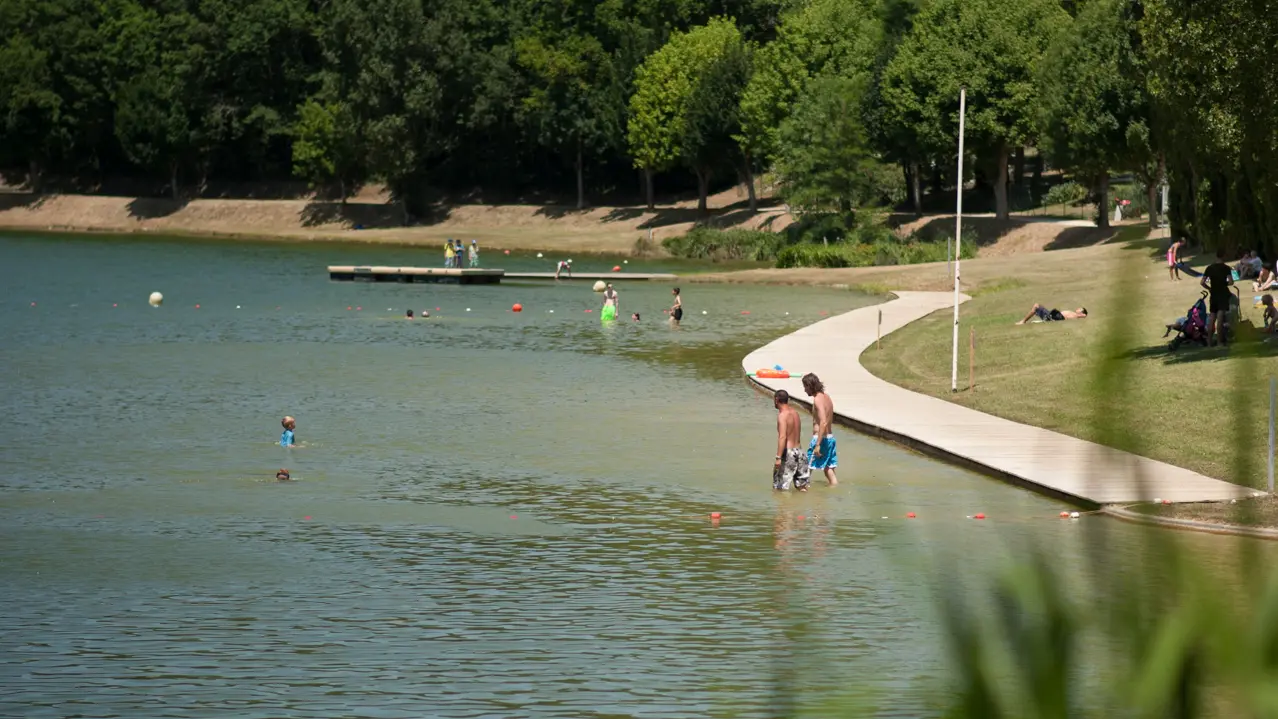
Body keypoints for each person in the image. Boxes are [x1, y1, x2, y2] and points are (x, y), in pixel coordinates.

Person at [802, 374, 838, 486]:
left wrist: (817, 444)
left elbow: (823, 421)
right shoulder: (826, 397)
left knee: (806, 469)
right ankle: (834, 490)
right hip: (830, 438)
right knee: (828, 469)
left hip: (820, 438)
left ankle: (800, 493)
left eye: (805, 387)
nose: (804, 390)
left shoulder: (818, 399)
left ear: (810, 385)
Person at [773, 389, 810, 491]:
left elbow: (783, 437)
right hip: (800, 452)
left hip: (789, 454)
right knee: (802, 487)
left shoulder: (782, 416)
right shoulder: (795, 413)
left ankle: (784, 507)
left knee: (780, 488)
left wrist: (778, 457)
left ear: (776, 400)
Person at [1201, 249, 1234, 346]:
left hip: (1213, 294)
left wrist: (1209, 288)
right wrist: (1225, 284)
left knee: (1212, 317)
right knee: (1220, 318)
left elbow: (1202, 282)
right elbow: (1231, 282)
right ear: (1223, 256)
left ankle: (1209, 341)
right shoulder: (1226, 268)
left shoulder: (1209, 268)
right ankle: (1219, 341)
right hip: (1222, 294)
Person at [1015, 304, 1088, 325]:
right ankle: (1024, 320)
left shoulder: (1075, 316)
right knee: (1039, 306)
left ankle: (1023, 321)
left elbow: (1064, 319)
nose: (1078, 308)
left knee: (1036, 306)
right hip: (1053, 316)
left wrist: (1083, 316)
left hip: (1054, 317)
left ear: (1082, 314)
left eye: (1080, 309)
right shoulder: (1074, 314)